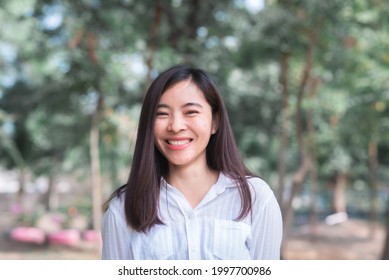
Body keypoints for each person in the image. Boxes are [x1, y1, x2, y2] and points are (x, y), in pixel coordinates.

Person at [101, 64, 282, 260]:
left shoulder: (256, 198)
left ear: (215, 122)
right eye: (162, 114)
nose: (176, 126)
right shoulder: (123, 208)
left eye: (191, 112)